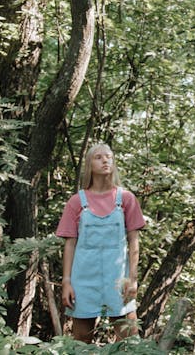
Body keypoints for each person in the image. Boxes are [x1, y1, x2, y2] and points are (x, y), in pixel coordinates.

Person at [56, 143, 146, 342]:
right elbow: (69, 244)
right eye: (99, 157)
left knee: (130, 340)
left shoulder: (126, 199)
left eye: (109, 157)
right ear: (89, 165)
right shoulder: (76, 202)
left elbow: (134, 241)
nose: (105, 160)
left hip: (118, 281)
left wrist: (133, 279)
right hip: (83, 281)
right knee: (81, 341)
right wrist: (67, 282)